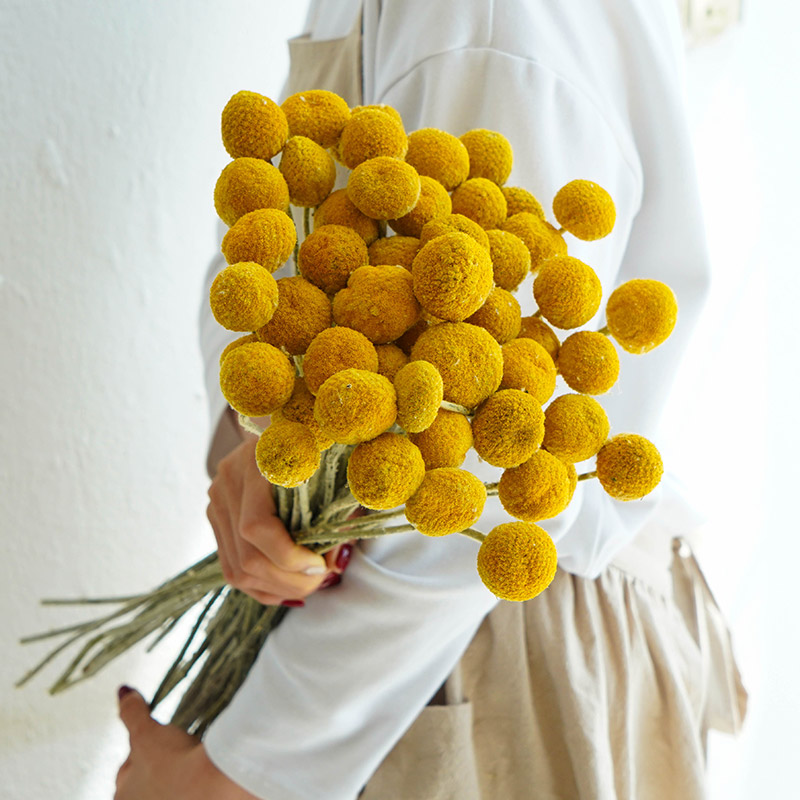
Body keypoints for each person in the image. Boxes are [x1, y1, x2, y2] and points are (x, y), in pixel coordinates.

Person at [115, 1, 746, 798]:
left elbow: (479, 472)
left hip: (469, 648)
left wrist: (241, 775)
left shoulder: (492, 20)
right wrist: (261, 450)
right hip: (411, 626)